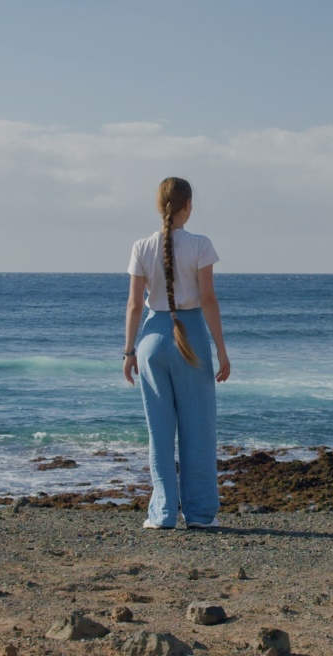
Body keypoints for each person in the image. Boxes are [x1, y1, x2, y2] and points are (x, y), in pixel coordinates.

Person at [123, 177, 230, 530]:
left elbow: (135, 304)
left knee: (160, 430)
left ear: (160, 207)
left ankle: (163, 514)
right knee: (197, 430)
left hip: (152, 339)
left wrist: (128, 351)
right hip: (191, 338)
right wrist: (221, 350)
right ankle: (199, 515)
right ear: (188, 207)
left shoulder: (141, 246)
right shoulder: (200, 245)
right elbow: (209, 300)